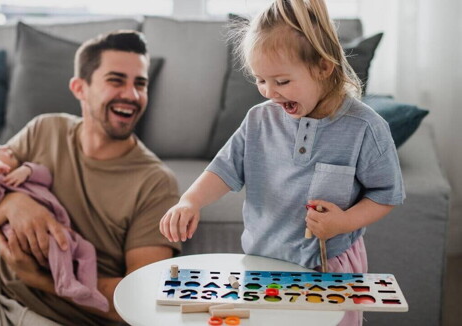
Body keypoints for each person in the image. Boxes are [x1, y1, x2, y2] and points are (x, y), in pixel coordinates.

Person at [0, 30, 180, 326]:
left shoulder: (155, 183)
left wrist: (39, 279)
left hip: (66, 320)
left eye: (140, 84)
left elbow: (144, 299)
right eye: (116, 80)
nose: (132, 95)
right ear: (80, 88)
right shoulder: (45, 130)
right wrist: (14, 204)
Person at [159, 1, 404, 325]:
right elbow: (224, 169)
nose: (269, 92)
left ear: (323, 66)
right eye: (261, 80)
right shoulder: (258, 119)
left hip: (327, 267)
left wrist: (343, 223)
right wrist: (190, 200)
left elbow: (386, 194)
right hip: (261, 262)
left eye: (282, 81)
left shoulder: (366, 127)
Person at [0, 137, 109, 312]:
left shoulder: (20, 174)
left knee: (86, 249)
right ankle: (66, 283)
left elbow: (46, 177)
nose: (6, 147)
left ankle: (89, 289)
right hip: (31, 235)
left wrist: (27, 170)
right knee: (60, 245)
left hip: (57, 226)